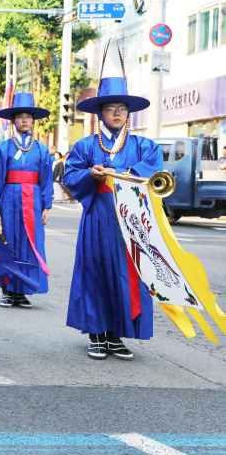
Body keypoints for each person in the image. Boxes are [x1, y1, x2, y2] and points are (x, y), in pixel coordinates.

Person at [63, 77, 161, 360]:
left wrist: (127, 174)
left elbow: (155, 172)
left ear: (129, 112)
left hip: (131, 220)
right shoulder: (85, 146)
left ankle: (117, 333)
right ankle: (97, 333)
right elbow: (70, 176)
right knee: (95, 271)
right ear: (100, 113)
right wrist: (89, 175)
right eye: (110, 108)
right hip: (98, 214)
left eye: (122, 108)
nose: (117, 113)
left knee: (127, 273)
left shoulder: (144, 145)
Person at [0, 93, 53, 308]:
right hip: (9, 199)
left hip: (33, 200)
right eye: (20, 117)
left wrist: (47, 205)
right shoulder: (4, 148)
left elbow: (46, 179)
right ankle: (8, 289)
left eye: (28, 117)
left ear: (33, 121)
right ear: (13, 120)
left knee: (29, 243)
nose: (24, 120)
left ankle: (23, 289)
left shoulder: (42, 149)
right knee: (8, 241)